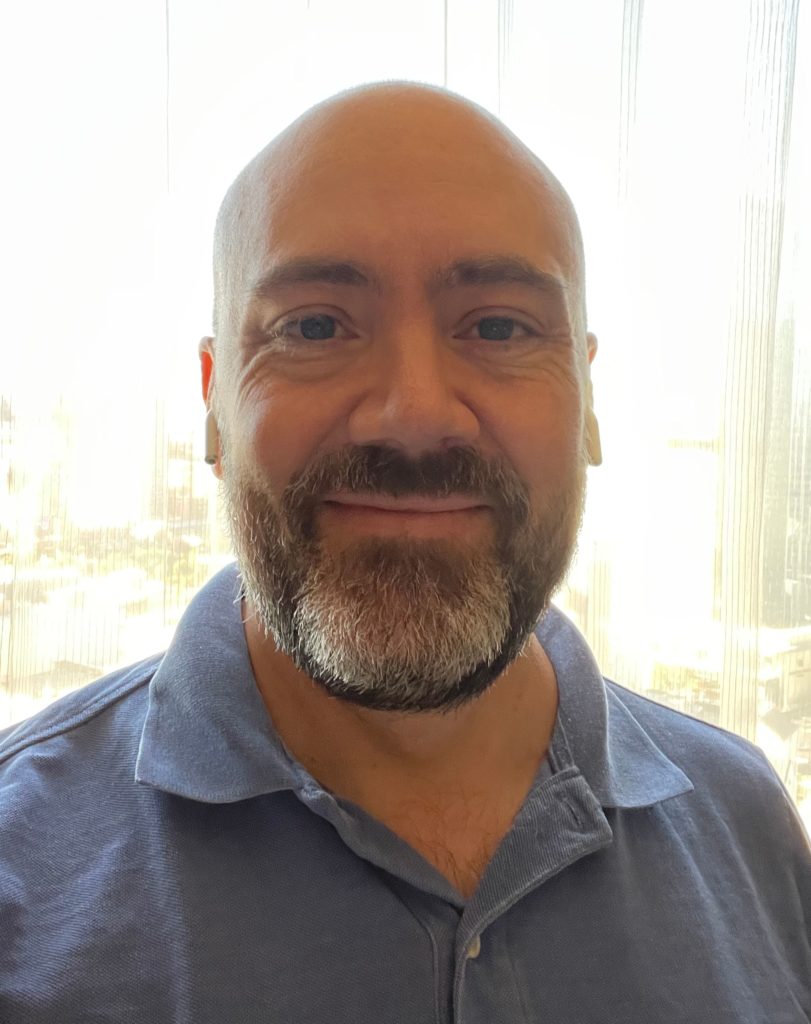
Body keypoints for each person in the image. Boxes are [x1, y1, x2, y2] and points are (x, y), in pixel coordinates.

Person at [1, 81, 809, 1024]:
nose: (415, 415)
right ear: (215, 404)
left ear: (587, 402)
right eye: (313, 326)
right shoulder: (20, 868)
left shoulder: (748, 825)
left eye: (498, 327)